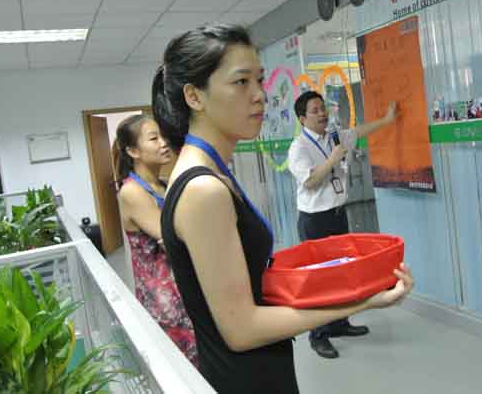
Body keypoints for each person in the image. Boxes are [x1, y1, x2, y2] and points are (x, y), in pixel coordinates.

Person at [151, 24, 413, 393]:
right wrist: (361, 300)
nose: (260, 95)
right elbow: (242, 330)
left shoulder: (209, 173)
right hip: (245, 379)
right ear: (194, 96)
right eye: (241, 82)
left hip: (259, 367)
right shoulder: (203, 190)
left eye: (259, 80)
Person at [287, 90, 398, 359]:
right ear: (302, 118)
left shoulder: (334, 136)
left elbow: (358, 131)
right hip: (315, 220)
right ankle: (318, 335)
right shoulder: (299, 148)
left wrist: (386, 120)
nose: (322, 114)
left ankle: (339, 323)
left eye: (323, 108)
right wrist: (333, 159)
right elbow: (310, 181)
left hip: (338, 214)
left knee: (342, 272)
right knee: (319, 279)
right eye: (315, 110)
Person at [112, 114, 198, 365]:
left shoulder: (163, 185)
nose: (163, 143)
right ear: (133, 151)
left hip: (184, 287)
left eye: (162, 136)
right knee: (186, 370)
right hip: (166, 301)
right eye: (153, 138)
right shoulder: (131, 192)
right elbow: (173, 237)